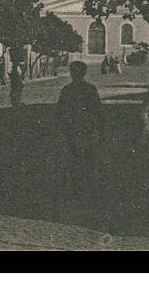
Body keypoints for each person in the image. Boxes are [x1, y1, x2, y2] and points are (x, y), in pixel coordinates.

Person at [57, 61, 102, 209]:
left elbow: (60, 112)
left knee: (76, 160)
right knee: (87, 160)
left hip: (75, 130)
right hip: (85, 130)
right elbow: (98, 111)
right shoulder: (90, 89)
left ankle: (79, 190)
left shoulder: (67, 90)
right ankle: (88, 191)